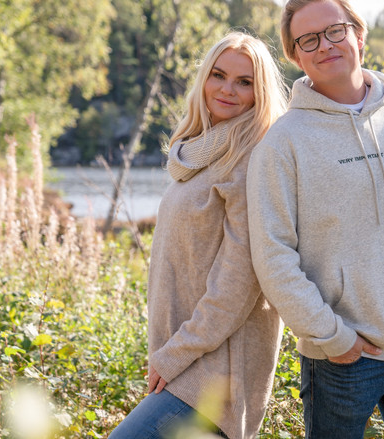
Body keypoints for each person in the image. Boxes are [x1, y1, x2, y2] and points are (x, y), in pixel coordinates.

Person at [246, 0, 384, 437]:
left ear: (358, 35)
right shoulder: (282, 143)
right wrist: (331, 336)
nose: (325, 45)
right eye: (308, 39)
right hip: (341, 360)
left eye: (335, 30)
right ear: (295, 55)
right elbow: (273, 256)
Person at [109, 32, 287, 439]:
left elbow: (239, 284)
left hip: (218, 372)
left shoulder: (253, 160)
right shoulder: (199, 153)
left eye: (244, 82)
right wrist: (171, 354)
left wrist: (175, 355)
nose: (227, 90)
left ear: (260, 92)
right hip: (186, 357)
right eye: (218, 75)